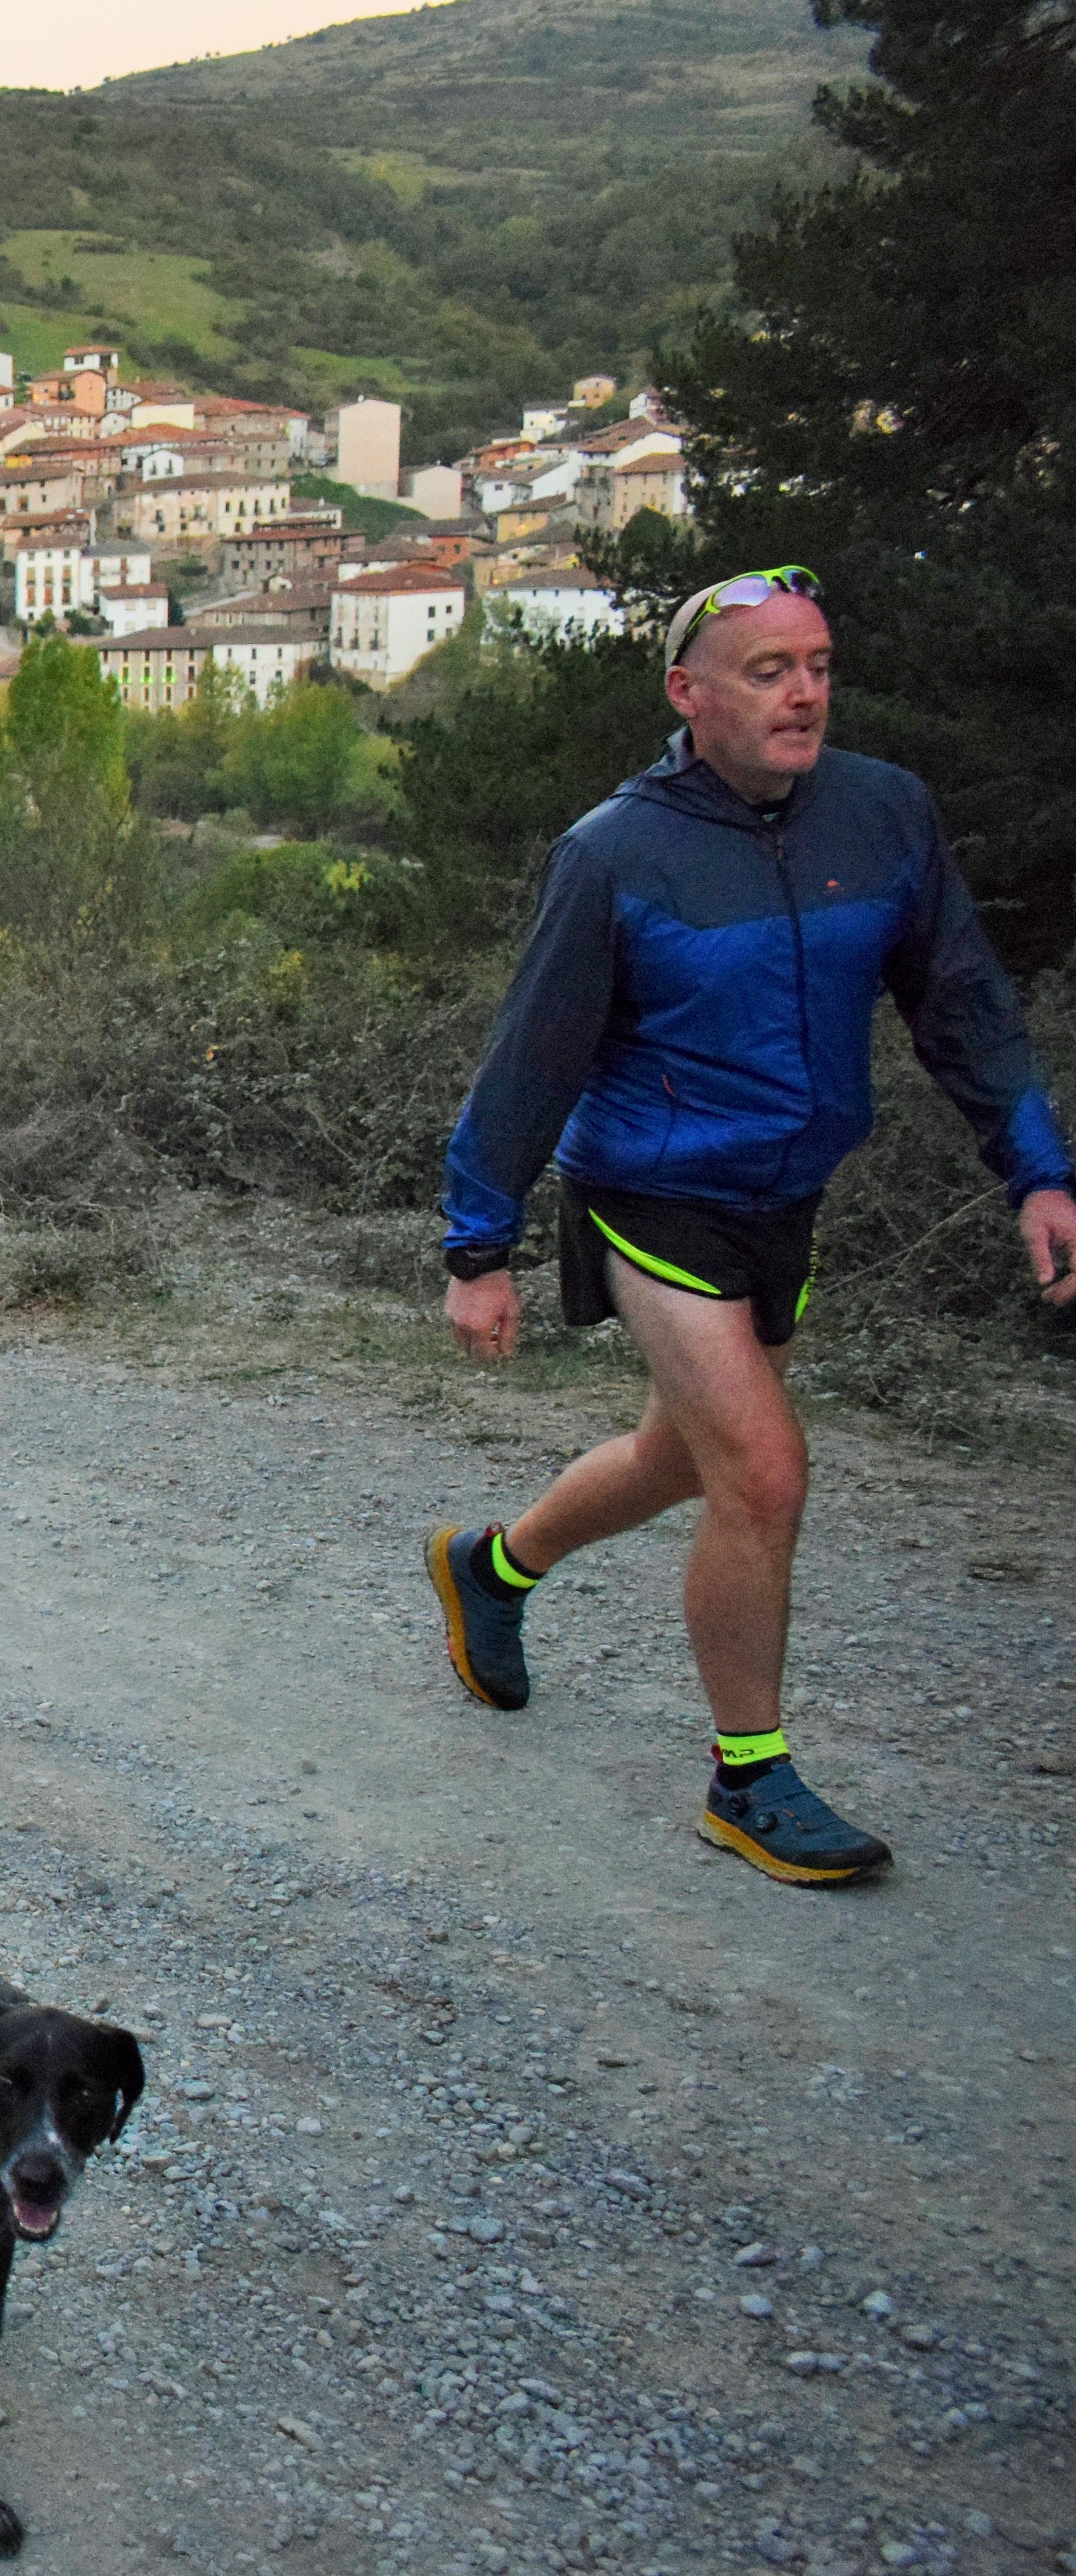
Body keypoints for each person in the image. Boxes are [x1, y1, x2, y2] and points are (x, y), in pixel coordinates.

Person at [429, 565, 1073, 1886]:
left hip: (789, 1195)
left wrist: (1039, 1171)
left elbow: (961, 999)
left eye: (819, 664)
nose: (805, 692)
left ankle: (495, 1566)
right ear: (690, 695)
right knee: (766, 1471)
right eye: (769, 669)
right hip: (656, 1194)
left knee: (690, 1456)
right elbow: (533, 1055)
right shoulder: (616, 850)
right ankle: (749, 1778)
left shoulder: (885, 814)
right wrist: (478, 1244)